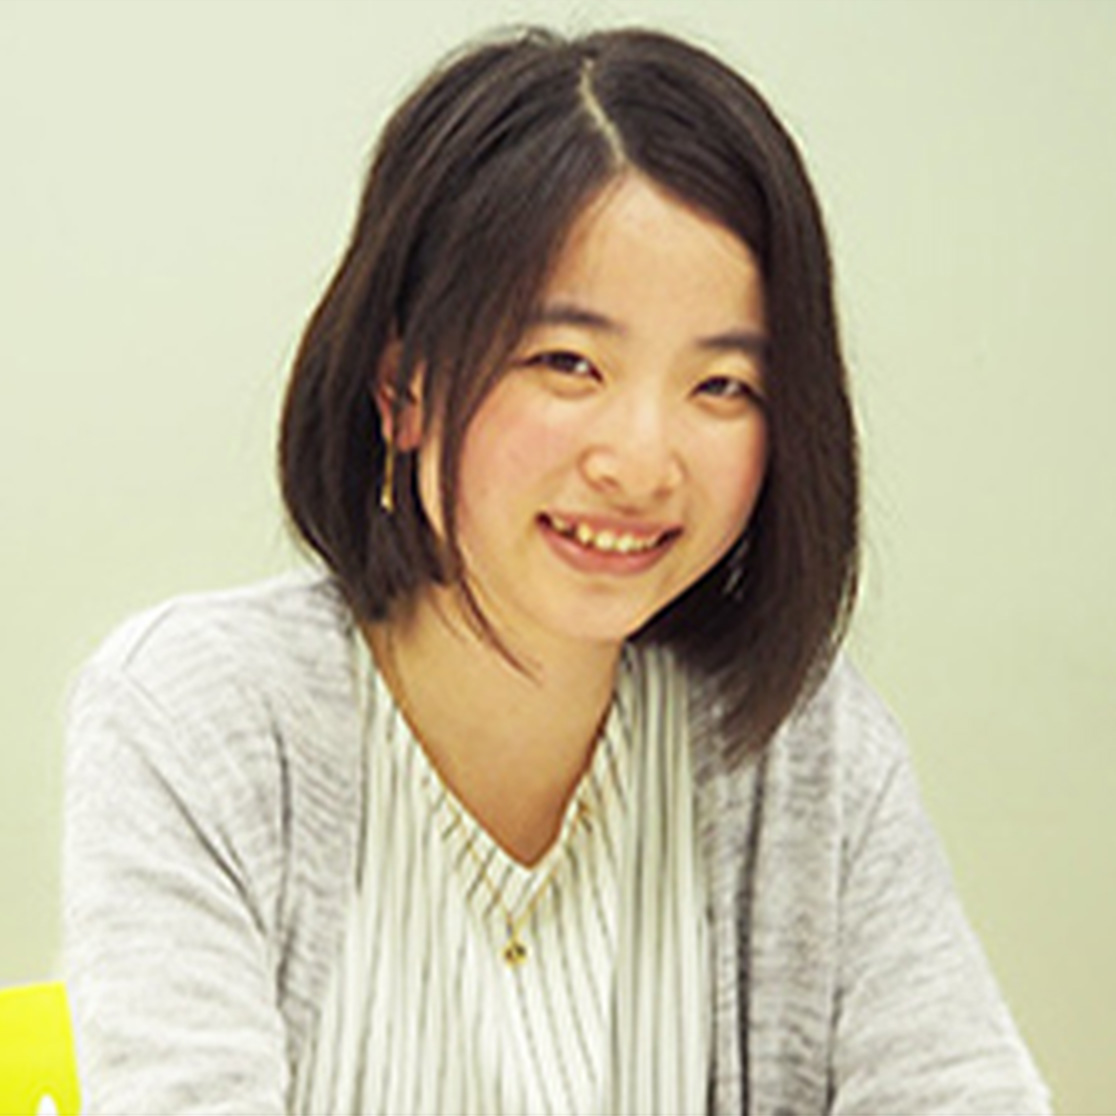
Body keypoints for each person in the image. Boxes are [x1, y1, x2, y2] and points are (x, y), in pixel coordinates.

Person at [62, 25, 1051, 1116]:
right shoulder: (200, 718)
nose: (641, 462)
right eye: (568, 363)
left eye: (722, 385)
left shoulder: (801, 751)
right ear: (403, 389)